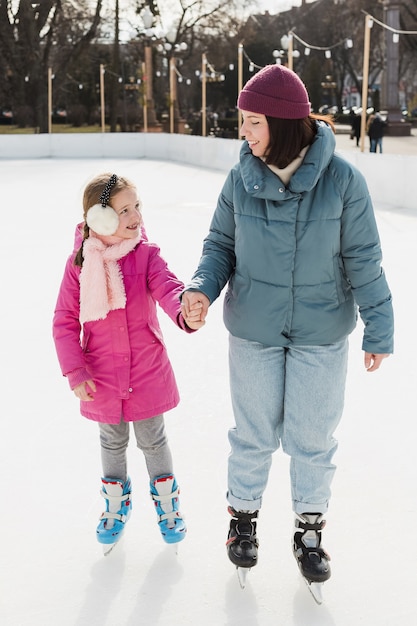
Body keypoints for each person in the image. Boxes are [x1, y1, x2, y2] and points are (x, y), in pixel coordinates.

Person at [181, 65, 393, 590]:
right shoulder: (239, 179)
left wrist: (379, 327)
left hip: (321, 333)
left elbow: (364, 259)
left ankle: (309, 530)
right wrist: (201, 288)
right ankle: (243, 521)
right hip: (253, 328)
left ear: (281, 120)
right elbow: (220, 246)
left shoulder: (343, 182)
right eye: (243, 123)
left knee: (313, 437)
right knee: (252, 435)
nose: (245, 133)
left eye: (253, 122)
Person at [53, 173, 203, 553]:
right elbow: (64, 320)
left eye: (137, 206)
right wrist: (75, 370)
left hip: (146, 369)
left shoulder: (146, 254)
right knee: (112, 440)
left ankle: (168, 504)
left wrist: (184, 309)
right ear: (100, 218)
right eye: (124, 210)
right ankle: (116, 504)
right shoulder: (80, 265)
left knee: (153, 439)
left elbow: (168, 287)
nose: (136, 215)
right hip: (101, 372)